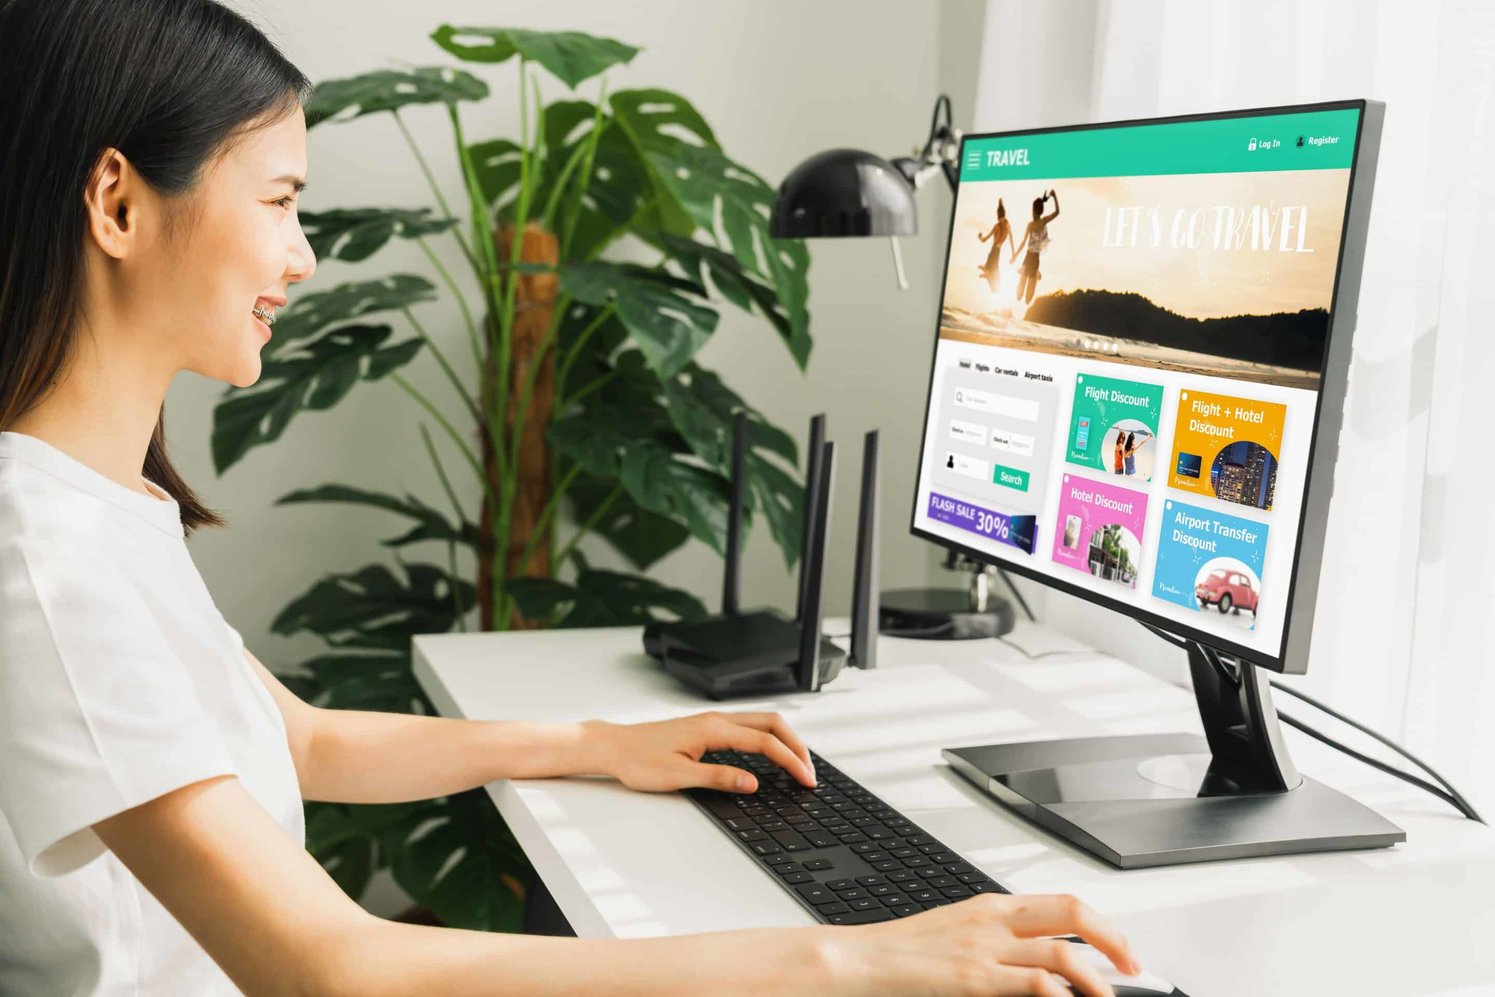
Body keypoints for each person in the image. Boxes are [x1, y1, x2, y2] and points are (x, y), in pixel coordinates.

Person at [0, 1, 1140, 994]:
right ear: (118, 203)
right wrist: (856, 960)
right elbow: (331, 970)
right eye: (281, 200)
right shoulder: (47, 560)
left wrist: (599, 741)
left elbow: (296, 741)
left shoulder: (94, 508)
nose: (302, 255)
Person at [1012, 189, 1060, 305]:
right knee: (1023, 298)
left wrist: (1014, 255)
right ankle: (1033, 273)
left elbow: (1023, 242)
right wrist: (1054, 197)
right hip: (1031, 259)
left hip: (1032, 259)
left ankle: (1036, 273)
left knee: (1024, 298)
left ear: (1033, 210)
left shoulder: (1037, 223)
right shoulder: (1038, 223)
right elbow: (1057, 212)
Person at [976, 198, 1014, 294]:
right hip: (995, 252)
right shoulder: (1005, 226)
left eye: (1000, 218)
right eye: (1000, 219)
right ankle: (987, 272)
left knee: (996, 286)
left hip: (994, 252)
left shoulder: (1000, 225)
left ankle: (986, 271)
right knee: (996, 286)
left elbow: (985, 240)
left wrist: (980, 237)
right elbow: (1011, 238)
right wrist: (1013, 253)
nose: (1000, 220)